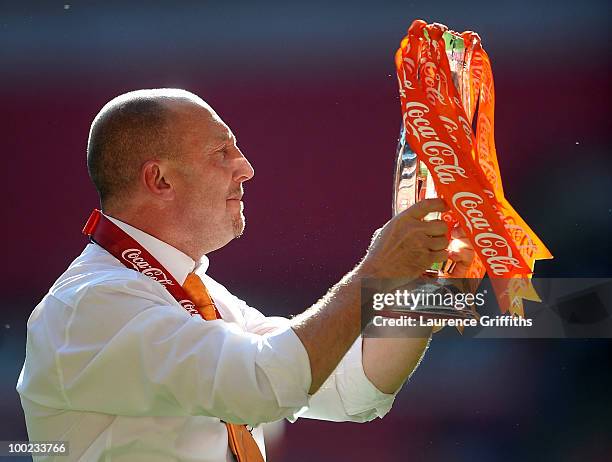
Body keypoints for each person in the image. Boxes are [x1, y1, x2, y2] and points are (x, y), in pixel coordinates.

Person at [17, 89, 473, 461]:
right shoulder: (93, 304)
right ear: (159, 180)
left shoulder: (194, 294)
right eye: (222, 152)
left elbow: (345, 387)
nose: (247, 169)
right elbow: (263, 384)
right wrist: (377, 269)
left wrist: (421, 296)